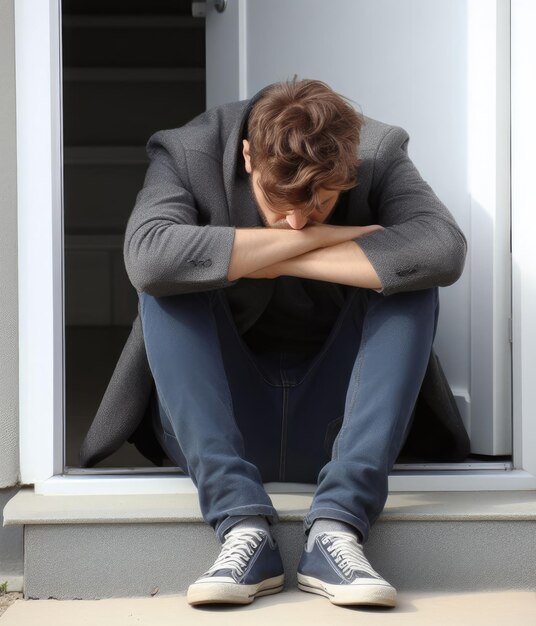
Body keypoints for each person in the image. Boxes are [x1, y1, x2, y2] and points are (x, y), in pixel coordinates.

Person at [127, 77, 467, 608]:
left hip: (337, 431)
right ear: (246, 155)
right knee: (167, 284)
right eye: (276, 202)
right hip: (224, 429)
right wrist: (325, 238)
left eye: (322, 206)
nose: (295, 221)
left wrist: (269, 253)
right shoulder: (189, 150)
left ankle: (337, 530)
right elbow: (148, 255)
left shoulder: (377, 151)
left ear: (348, 169)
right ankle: (242, 530)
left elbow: (442, 250)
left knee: (411, 281)